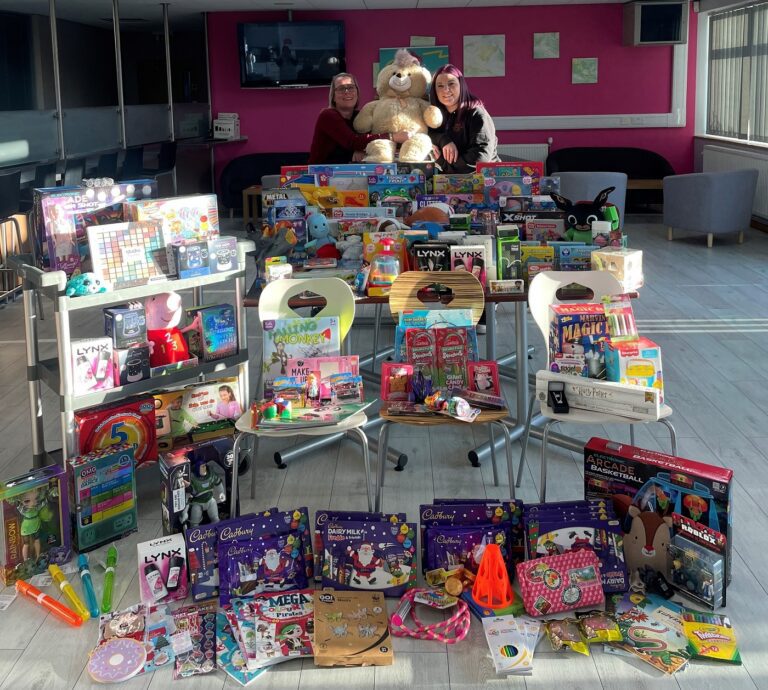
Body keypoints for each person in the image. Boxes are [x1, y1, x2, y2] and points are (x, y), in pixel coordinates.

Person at [308, 73, 411, 164]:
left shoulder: (360, 117)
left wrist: (362, 148)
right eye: (341, 88)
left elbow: (365, 140)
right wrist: (392, 136)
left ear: (357, 93)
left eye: (351, 87)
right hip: (320, 177)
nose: (347, 91)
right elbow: (353, 142)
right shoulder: (327, 115)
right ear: (333, 96)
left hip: (348, 174)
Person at [428, 64, 499, 173]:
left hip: (484, 181)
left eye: (451, 84)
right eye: (440, 86)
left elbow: (481, 157)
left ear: (461, 85)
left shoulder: (477, 113)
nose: (446, 90)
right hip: (447, 182)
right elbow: (426, 133)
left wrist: (444, 164)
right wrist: (443, 140)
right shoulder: (433, 114)